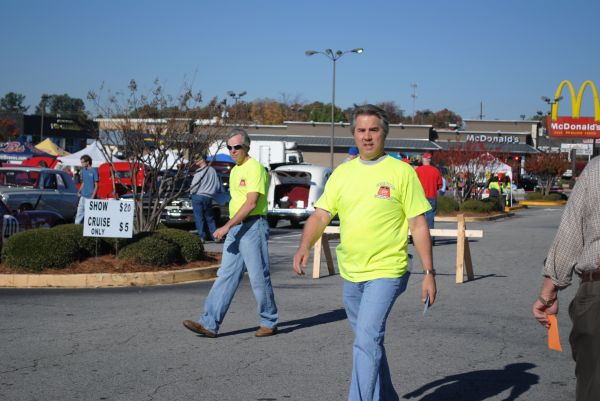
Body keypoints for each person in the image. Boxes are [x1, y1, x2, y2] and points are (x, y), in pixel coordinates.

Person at [293, 104, 437, 401]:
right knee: (368, 343)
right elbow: (320, 215)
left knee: (366, 340)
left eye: (373, 130)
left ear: (384, 133)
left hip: (388, 270)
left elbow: (418, 224)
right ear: (354, 135)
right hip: (352, 272)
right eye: (361, 130)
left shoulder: (401, 172)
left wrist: (428, 273)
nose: (367, 136)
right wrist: (304, 245)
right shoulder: (343, 174)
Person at [183, 128, 279, 338]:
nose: (233, 150)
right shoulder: (235, 170)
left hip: (253, 226)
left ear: (246, 147)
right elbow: (235, 200)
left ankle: (269, 321)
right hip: (237, 227)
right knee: (225, 275)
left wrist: (226, 226)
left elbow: (251, 203)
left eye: (237, 147)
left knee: (257, 277)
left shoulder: (254, 168)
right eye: (229, 147)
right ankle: (209, 323)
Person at [532, 156, 600, 401]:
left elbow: (572, 232)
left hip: (597, 291)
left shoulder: (596, 169)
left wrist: (549, 291)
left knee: (594, 384)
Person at [189, 157, 220, 242]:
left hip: (198, 196)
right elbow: (217, 185)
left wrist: (191, 192)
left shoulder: (199, 172)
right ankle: (215, 236)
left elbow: (194, 185)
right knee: (210, 217)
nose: (195, 161)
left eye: (197, 159)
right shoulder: (212, 170)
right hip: (208, 197)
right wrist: (212, 192)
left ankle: (202, 236)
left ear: (201, 160)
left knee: (199, 217)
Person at [415, 152, 443, 229]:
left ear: (423, 160)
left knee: (419, 218)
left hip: (420, 197)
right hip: (432, 196)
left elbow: (413, 184)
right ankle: (430, 239)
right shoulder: (436, 170)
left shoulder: (418, 170)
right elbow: (440, 185)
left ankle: (420, 238)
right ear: (430, 160)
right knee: (430, 218)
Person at [74, 155, 98, 224]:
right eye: (81, 162)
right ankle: (76, 228)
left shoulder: (94, 171)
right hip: (83, 196)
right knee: (79, 213)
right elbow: (83, 182)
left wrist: (93, 196)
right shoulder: (83, 170)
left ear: (87, 162)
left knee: (89, 215)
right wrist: (79, 191)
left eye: (82, 162)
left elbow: (96, 185)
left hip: (90, 197)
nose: (81, 164)